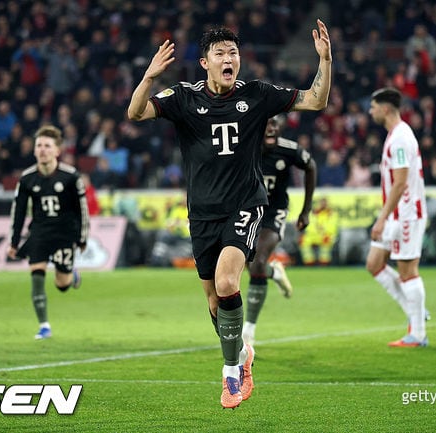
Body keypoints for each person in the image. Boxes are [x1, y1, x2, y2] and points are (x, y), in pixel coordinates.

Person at [127, 20, 331, 408]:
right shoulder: (184, 97)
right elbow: (136, 113)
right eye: (220, 53)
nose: (228, 59)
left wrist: (325, 61)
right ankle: (242, 354)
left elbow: (315, 100)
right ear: (205, 62)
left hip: (245, 205)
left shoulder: (257, 94)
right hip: (202, 214)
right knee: (214, 303)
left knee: (226, 282)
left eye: (233, 53)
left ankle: (230, 373)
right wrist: (150, 77)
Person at [7, 125, 89, 340]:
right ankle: (44, 326)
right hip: (40, 232)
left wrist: (82, 237)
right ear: (34, 150)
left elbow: (82, 209)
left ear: (57, 151)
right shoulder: (27, 179)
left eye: (47, 146)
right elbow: (19, 211)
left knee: (62, 285)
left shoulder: (70, 177)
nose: (42, 150)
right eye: (39, 146)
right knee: (36, 274)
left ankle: (71, 275)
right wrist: (14, 242)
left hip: (65, 233)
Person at [242, 114, 317, 347]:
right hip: (246, 211)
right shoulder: (244, 147)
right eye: (266, 124)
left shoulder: (289, 150)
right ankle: (274, 273)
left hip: (273, 212)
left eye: (274, 123)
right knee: (248, 262)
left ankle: (248, 331)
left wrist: (306, 210)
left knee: (257, 262)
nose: (272, 128)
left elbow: (311, 166)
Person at [365, 88, 429, 348]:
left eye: (373, 107)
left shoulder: (401, 138)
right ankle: (415, 310)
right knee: (374, 263)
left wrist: (381, 218)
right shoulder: (395, 135)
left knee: (407, 271)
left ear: (385, 109)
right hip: (396, 215)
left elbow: (401, 183)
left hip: (406, 215)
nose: (371, 112)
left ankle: (418, 333)